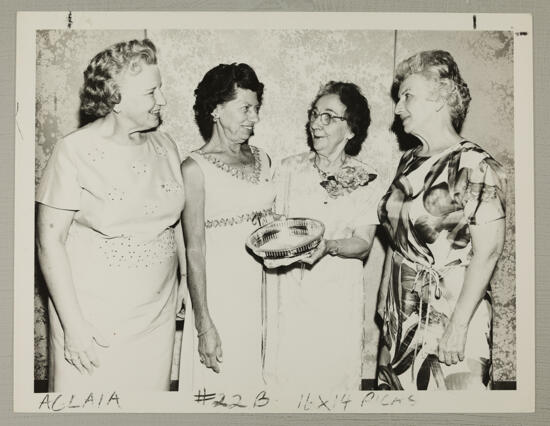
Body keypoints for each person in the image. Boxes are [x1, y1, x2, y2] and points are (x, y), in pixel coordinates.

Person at [36, 39, 184, 391]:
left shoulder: (165, 146)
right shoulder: (74, 151)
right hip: (94, 321)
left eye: (160, 88)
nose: (162, 100)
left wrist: (185, 279)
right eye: (151, 92)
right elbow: (49, 243)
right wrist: (74, 328)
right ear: (116, 99)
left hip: (156, 315)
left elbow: (174, 221)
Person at [376, 50, 507, 390]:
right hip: (402, 315)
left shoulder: (476, 164)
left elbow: (488, 253)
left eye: (408, 96)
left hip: (451, 312)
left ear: (439, 99)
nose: (398, 107)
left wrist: (458, 326)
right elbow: (398, 238)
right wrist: (384, 298)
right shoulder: (408, 161)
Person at [264, 81, 383, 391]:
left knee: (331, 382)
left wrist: (329, 245)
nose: (316, 123)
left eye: (329, 117)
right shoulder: (289, 169)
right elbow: (270, 225)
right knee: (287, 381)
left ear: (351, 129)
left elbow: (363, 244)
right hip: (289, 295)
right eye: (315, 114)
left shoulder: (366, 178)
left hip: (336, 299)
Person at [179, 63, 275, 394]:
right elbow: (194, 249)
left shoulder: (264, 158)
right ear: (216, 109)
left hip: (266, 293)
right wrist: (204, 323)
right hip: (222, 297)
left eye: (256, 108)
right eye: (245, 108)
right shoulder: (194, 169)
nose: (254, 117)